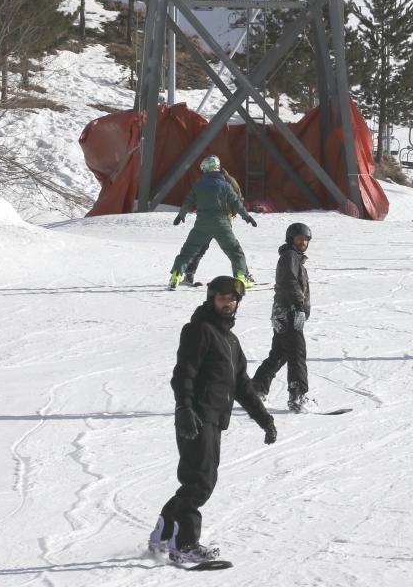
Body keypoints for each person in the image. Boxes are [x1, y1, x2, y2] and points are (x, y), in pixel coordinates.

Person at [148, 276, 277, 563]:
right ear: (211, 299)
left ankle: (164, 534)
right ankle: (184, 544)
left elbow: (242, 385)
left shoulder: (230, 340)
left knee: (197, 480)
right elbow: (184, 373)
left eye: (232, 299)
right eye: (222, 298)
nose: (228, 303)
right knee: (200, 483)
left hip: (214, 418)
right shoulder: (199, 330)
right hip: (196, 417)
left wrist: (264, 419)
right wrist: (184, 408)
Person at [168, 156, 257, 290]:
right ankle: (240, 278)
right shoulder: (225, 185)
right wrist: (247, 217)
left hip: (201, 225)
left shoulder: (198, 185)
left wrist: (181, 215)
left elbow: (188, 201)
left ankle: (175, 276)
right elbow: (236, 203)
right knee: (234, 251)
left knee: (188, 251)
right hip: (222, 225)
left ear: (205, 169)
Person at [252, 223, 313, 412]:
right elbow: (289, 282)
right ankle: (298, 396)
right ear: (291, 239)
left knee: (279, 354)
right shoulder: (290, 257)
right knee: (297, 353)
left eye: (306, 240)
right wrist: (298, 307)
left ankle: (255, 391)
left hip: (282, 312)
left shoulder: (292, 257)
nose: (303, 242)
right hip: (289, 312)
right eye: (299, 238)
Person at [182, 167, 248, 286]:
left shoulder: (227, 181)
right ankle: (189, 274)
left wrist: (230, 214)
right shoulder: (214, 180)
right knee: (232, 250)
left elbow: (238, 199)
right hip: (216, 220)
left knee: (230, 249)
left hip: (221, 219)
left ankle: (244, 275)